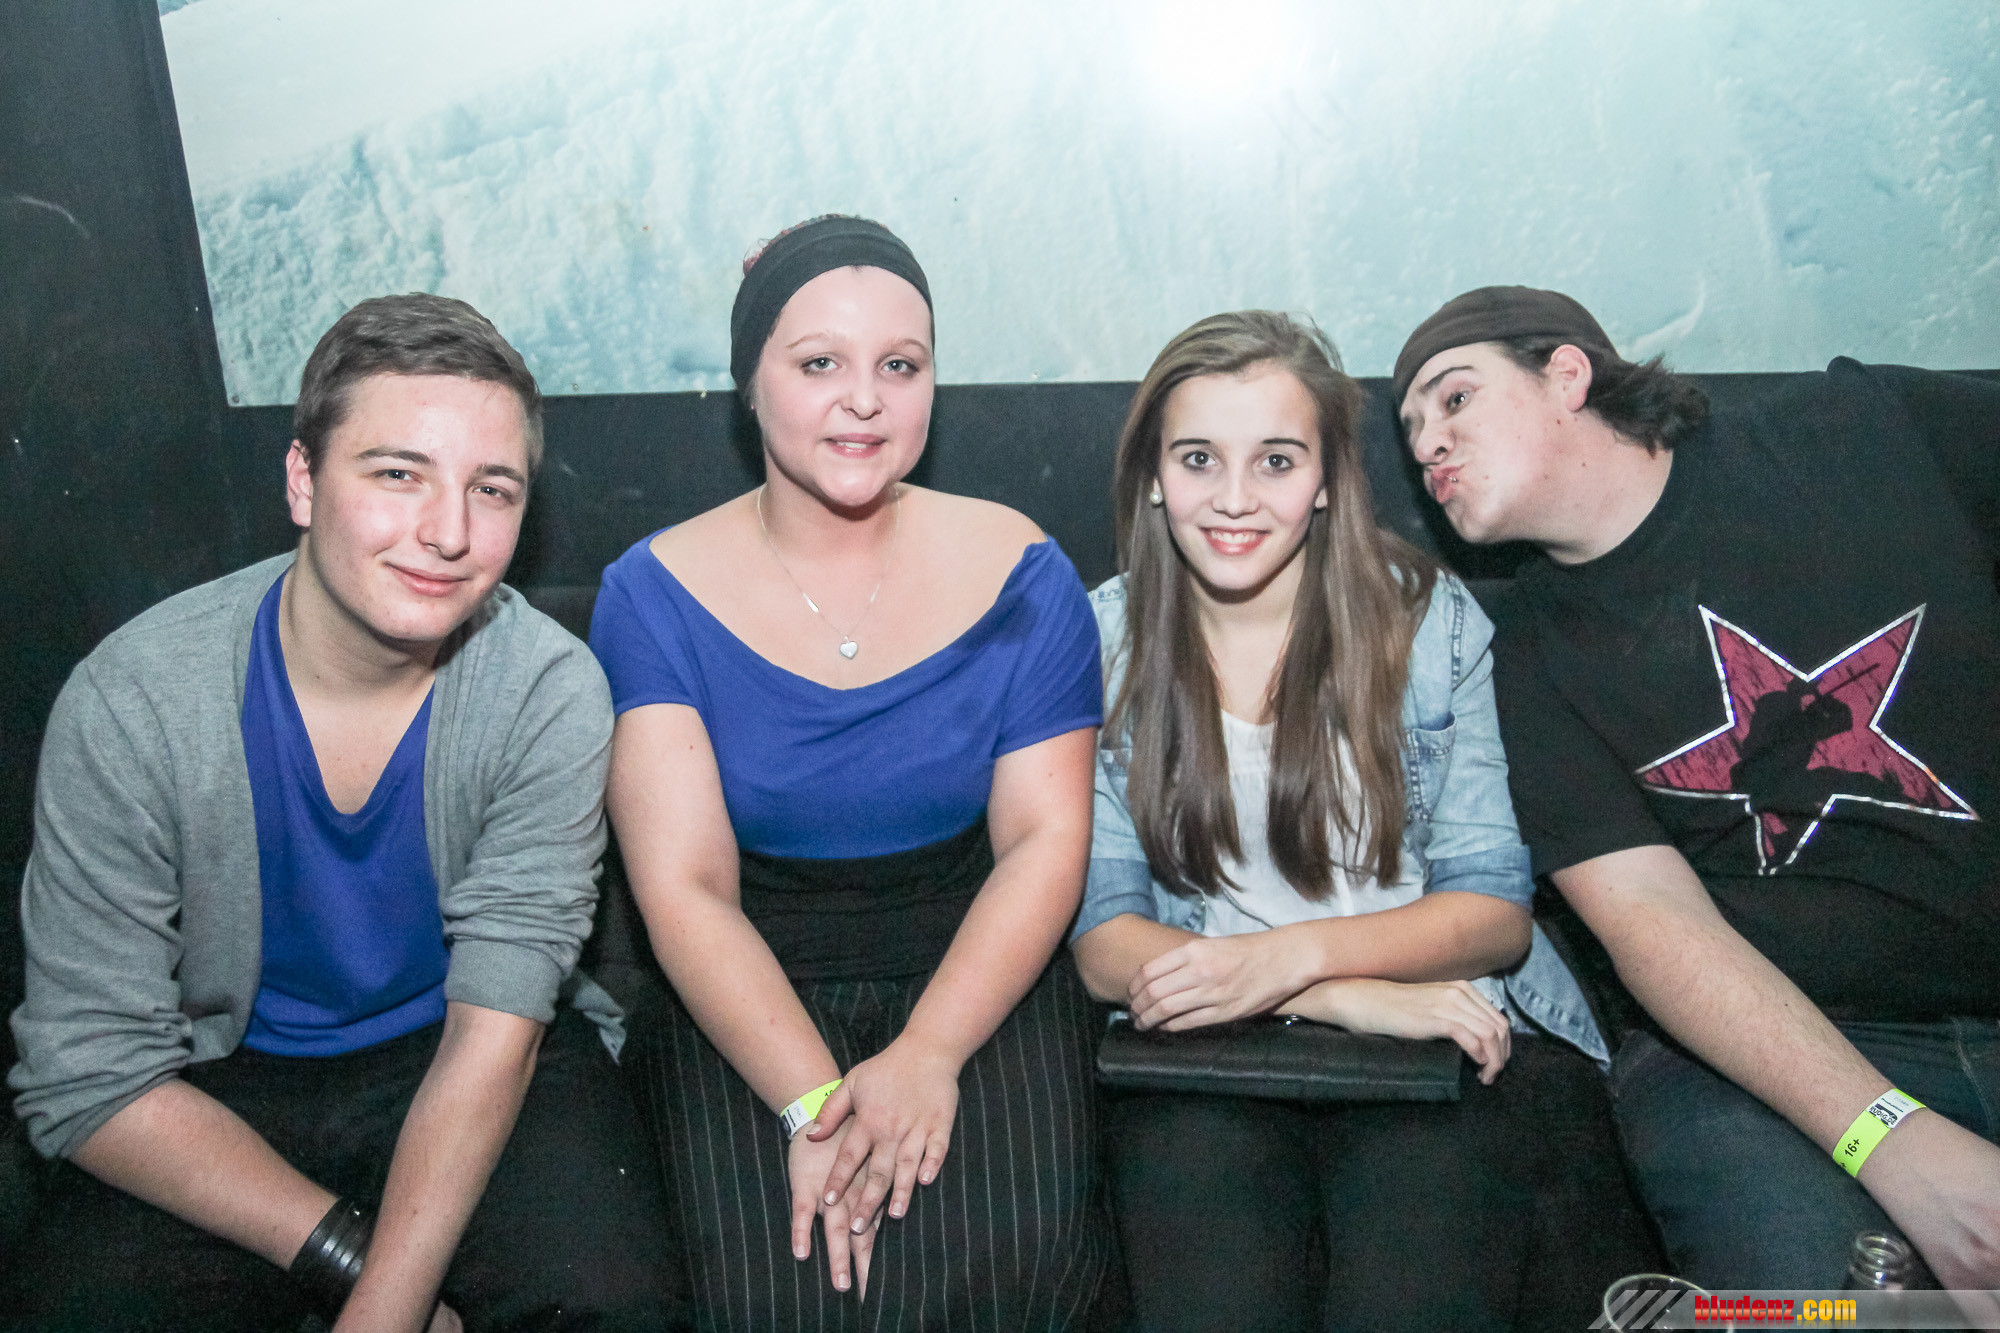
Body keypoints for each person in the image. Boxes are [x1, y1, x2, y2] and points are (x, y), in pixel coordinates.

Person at [6, 294, 686, 1331]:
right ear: (302, 479)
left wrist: (385, 1308)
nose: (447, 533)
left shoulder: (544, 689)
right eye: (397, 473)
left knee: (612, 1303)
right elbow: (89, 1069)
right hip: (214, 1074)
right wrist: (359, 1266)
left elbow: (495, 1026)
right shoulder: (135, 701)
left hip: (465, 1043)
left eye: (491, 489)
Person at [1394, 285, 2000, 1291]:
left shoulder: (1863, 430)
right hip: (1775, 1061)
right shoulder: (1522, 659)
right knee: (1813, 1302)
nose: (1427, 443)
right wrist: (1889, 1139)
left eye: (1453, 398)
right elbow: (1651, 920)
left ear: (1567, 374)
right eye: (1411, 429)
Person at [1072, 310, 1653, 1332]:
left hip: (1435, 1029)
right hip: (1207, 1047)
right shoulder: (1099, 638)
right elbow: (1105, 945)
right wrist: (1335, 992)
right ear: (1153, 476)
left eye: (1277, 460)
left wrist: (1290, 960)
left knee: (1410, 1294)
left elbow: (1492, 914)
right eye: (1198, 458)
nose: (1236, 497)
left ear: (1328, 480)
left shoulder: (1428, 623)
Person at [589, 216, 1107, 1330]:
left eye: (900, 366)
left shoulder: (1024, 570)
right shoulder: (650, 590)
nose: (863, 400)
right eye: (819, 361)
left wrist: (930, 1052)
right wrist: (814, 1106)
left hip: (976, 973)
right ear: (750, 380)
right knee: (780, 1297)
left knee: (1011, 1272)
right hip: (745, 985)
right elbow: (685, 889)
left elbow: (1044, 842)